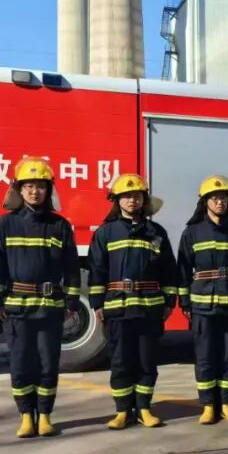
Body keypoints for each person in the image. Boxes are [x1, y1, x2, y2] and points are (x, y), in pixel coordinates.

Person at [0, 157, 81, 438]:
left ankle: (45, 416)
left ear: (48, 190)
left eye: (40, 186)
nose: (34, 192)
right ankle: (26, 416)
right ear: (19, 190)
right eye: (28, 186)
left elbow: (71, 267)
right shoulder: (5, 224)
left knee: (48, 364)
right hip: (17, 308)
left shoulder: (60, 226)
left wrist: (72, 300)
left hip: (50, 308)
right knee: (20, 363)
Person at [88, 174, 177, 430]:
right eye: (126, 196)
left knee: (147, 361)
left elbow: (168, 270)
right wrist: (97, 303)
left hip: (149, 308)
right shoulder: (105, 233)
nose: (132, 200)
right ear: (117, 201)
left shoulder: (156, 233)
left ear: (144, 200)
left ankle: (144, 409)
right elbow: (97, 270)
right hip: (118, 308)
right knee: (120, 361)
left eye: (137, 196)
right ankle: (122, 411)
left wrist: (169, 300)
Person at [176, 175, 228, 425]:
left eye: (223, 198)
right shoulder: (192, 233)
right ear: (205, 202)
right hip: (203, 306)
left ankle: (225, 403)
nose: (219, 202)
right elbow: (182, 271)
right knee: (205, 357)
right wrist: (185, 303)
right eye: (214, 198)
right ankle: (208, 406)